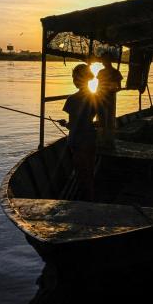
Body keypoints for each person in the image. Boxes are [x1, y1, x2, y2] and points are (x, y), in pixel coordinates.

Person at [60, 64, 97, 201]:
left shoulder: (72, 99)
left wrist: (65, 124)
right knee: (89, 173)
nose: (73, 80)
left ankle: (87, 203)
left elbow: (74, 125)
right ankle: (91, 199)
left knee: (82, 175)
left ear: (78, 79)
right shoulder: (95, 97)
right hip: (91, 140)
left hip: (78, 142)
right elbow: (92, 121)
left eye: (74, 77)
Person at [96, 53, 123, 146]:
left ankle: (109, 141)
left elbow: (119, 87)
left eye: (104, 60)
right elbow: (98, 86)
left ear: (109, 60)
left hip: (110, 98)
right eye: (102, 60)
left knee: (109, 118)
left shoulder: (116, 72)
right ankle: (101, 140)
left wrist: (112, 90)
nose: (103, 62)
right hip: (100, 97)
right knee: (101, 118)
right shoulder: (100, 72)